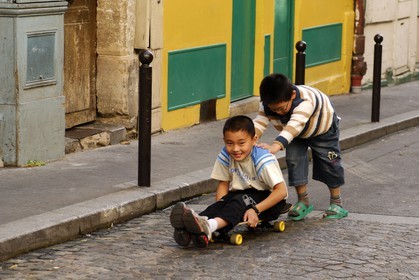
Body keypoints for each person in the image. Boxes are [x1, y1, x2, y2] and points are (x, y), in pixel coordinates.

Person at [170, 115, 290, 247]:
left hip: (269, 201)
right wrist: (220, 206)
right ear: (224, 140)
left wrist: (255, 210)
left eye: (241, 143)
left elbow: (281, 191)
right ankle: (193, 227)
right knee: (223, 203)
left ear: (254, 139)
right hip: (241, 195)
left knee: (240, 201)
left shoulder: (262, 159)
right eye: (229, 143)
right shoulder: (226, 154)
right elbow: (223, 183)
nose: (235, 149)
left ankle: (209, 226)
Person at [253, 73, 349, 221]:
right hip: (294, 134)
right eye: (274, 110)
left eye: (281, 108)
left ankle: (337, 203)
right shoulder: (268, 104)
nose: (277, 112)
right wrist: (248, 140)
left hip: (322, 129)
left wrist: (274, 146)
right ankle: (303, 202)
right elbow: (259, 123)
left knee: (330, 163)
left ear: (291, 95)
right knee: (294, 161)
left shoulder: (305, 102)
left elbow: (294, 125)